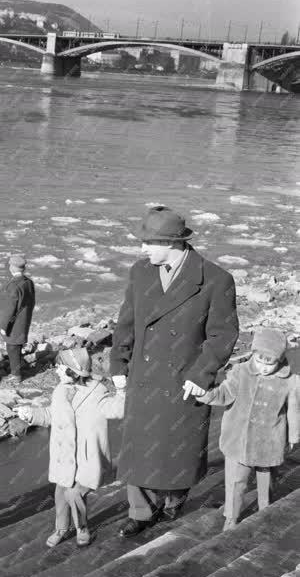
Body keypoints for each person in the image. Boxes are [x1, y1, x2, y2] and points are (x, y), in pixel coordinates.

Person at [110, 206, 239, 538]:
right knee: (138, 449)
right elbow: (127, 322)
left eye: (149, 242)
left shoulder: (216, 280)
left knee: (177, 450)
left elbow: (222, 335)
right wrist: (118, 364)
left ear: (172, 243)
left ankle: (172, 502)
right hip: (143, 376)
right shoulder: (140, 273)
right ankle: (139, 511)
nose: (143, 249)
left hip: (184, 382)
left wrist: (202, 375)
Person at [17, 348, 125, 548]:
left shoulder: (98, 391)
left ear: (72, 370)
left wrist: (122, 391)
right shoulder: (60, 389)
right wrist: (31, 414)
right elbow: (51, 415)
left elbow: (117, 410)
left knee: (74, 493)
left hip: (87, 457)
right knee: (60, 492)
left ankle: (82, 527)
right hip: (65, 455)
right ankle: (60, 528)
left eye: (59, 366)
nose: (55, 370)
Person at [196, 328, 299, 530]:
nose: (264, 368)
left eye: (270, 363)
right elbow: (224, 393)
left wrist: (294, 435)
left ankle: (264, 512)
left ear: (279, 360)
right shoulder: (240, 372)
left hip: (269, 440)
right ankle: (231, 518)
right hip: (238, 439)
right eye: (260, 361)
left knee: (266, 480)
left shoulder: (290, 380)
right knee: (235, 482)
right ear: (253, 354)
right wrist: (207, 395)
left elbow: (294, 409)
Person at [0, 254, 35, 383]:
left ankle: (16, 375)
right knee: (18, 346)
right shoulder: (28, 282)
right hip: (24, 320)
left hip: (14, 323)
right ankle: (19, 366)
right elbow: (31, 302)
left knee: (12, 348)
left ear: (12, 268)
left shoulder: (14, 286)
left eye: (10, 265)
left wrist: (4, 326)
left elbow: (10, 309)